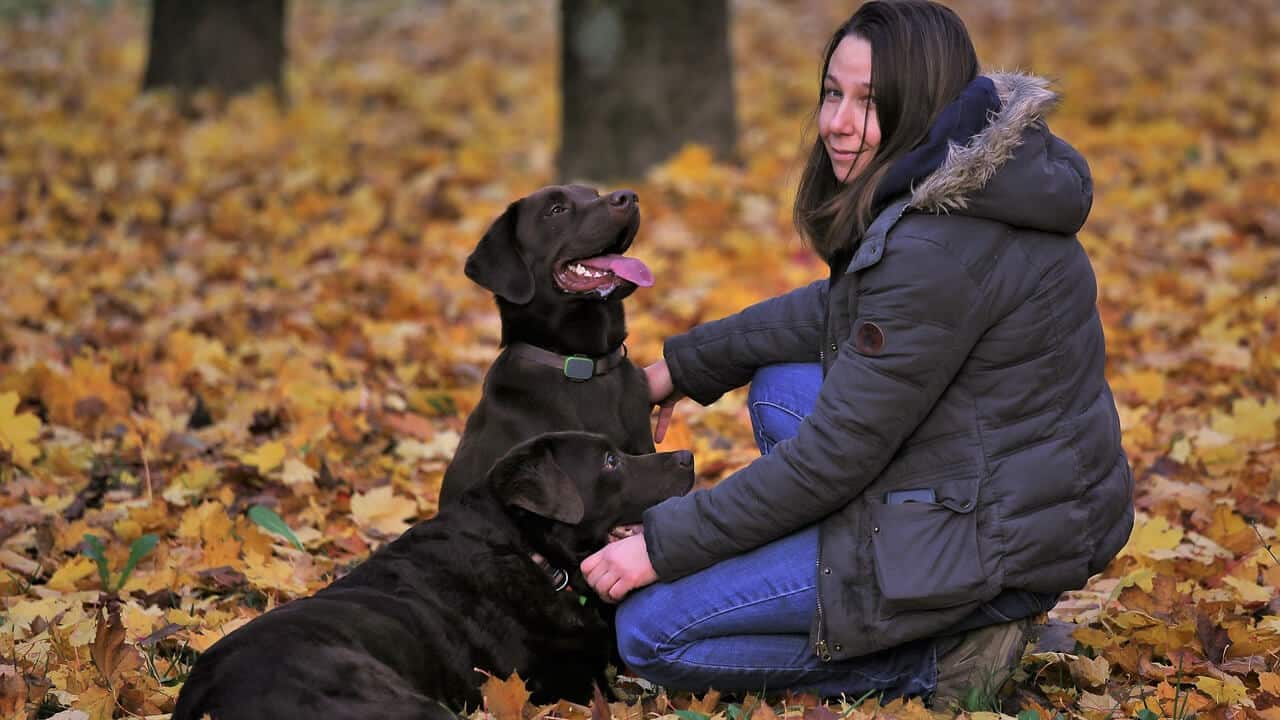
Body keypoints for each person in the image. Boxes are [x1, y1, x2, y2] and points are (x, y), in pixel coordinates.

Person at [579, 0, 1135, 707]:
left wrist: (659, 545)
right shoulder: (975, 182)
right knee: (780, 386)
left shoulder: (935, 250)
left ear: (924, 105)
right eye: (832, 94)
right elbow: (840, 311)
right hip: (1014, 492)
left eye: (870, 103)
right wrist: (680, 369)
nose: (837, 124)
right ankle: (887, 599)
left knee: (651, 630)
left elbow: (831, 462)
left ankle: (940, 659)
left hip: (992, 536)